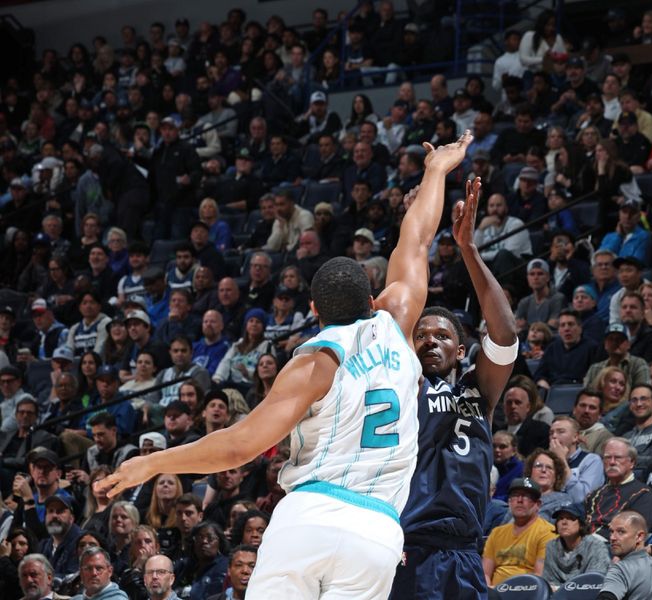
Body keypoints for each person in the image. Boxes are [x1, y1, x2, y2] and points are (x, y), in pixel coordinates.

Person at [101, 133, 474, 599]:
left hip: (310, 516)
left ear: (315, 313)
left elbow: (238, 447)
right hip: (378, 530)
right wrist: (438, 170)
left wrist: (153, 463)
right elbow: (416, 240)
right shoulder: (397, 324)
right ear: (372, 299)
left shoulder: (313, 363)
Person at [390, 173, 517, 600]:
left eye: (442, 336)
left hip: (463, 551)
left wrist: (469, 249)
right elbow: (397, 303)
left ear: (462, 351)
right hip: (408, 546)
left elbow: (505, 335)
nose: (429, 339)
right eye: (421, 334)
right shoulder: (402, 382)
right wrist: (415, 230)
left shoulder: (478, 389)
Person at [481, 477, 556, 586]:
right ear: (509, 501)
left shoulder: (547, 532)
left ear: (538, 504)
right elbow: (485, 574)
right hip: (495, 593)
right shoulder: (497, 533)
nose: (519, 500)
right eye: (515, 495)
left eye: (526, 496)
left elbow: (540, 577)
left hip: (528, 592)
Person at [598, 511, 652, 600]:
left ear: (639, 536)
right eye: (611, 531)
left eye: (621, 532)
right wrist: (650, 549)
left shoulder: (620, 570)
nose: (612, 538)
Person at [585, 437, 652, 538]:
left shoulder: (643, 494)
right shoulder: (594, 495)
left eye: (618, 457)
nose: (612, 462)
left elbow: (636, 535)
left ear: (632, 462)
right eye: (607, 457)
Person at [541, 501, 610, 590]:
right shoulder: (551, 546)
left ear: (581, 523)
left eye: (570, 518)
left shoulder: (595, 546)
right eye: (560, 518)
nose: (564, 522)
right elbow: (549, 580)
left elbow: (595, 582)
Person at [549, 416, 604, 505]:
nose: (554, 436)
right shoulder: (546, 461)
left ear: (575, 437)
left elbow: (582, 498)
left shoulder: (592, 461)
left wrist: (561, 460)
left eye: (561, 432)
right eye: (551, 433)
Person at [623, 384, 652, 476]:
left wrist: (624, 459)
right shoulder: (625, 436)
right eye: (634, 400)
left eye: (643, 399)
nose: (639, 404)